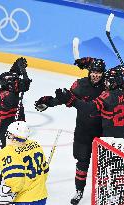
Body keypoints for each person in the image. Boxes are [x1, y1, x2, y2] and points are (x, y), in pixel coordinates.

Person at [55, 65, 124, 204]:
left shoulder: (108, 95)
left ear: (117, 81)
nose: (106, 83)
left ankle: (103, 196)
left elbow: (89, 108)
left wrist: (72, 101)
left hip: (110, 142)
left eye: (110, 80)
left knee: (104, 171)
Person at [34, 57, 106, 205]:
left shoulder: (109, 85)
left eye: (99, 72)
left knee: (103, 165)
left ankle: (103, 192)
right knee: (82, 162)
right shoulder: (80, 85)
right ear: (89, 71)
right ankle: (79, 191)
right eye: (93, 72)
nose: (96, 75)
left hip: (103, 132)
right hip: (83, 131)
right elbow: (65, 98)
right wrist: (49, 102)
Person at [0, 121, 49, 205]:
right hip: (41, 196)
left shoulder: (8, 151)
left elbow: (16, 180)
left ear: (11, 135)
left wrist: (6, 195)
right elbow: (45, 171)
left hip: (23, 200)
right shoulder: (35, 145)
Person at [0, 57, 32, 149]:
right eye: (14, 82)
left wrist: (18, 67)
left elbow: (13, 77)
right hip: (7, 134)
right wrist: (20, 87)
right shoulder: (2, 95)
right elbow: (11, 100)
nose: (17, 81)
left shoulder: (9, 88)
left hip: (20, 131)